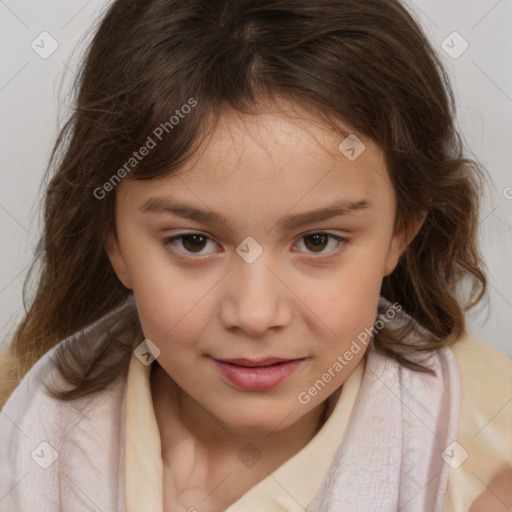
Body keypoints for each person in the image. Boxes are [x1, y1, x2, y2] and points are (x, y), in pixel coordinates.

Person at [0, 0, 511, 510]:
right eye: (193, 242)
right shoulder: (20, 430)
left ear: (400, 233)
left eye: (318, 241)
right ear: (114, 240)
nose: (255, 313)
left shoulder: (487, 448)